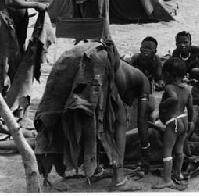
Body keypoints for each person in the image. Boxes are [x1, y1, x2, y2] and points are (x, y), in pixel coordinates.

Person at [34, 41, 152, 191]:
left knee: (71, 109)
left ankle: (93, 169)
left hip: (76, 57)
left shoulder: (128, 72)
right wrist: (145, 153)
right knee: (119, 121)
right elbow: (142, 122)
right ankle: (118, 178)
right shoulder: (144, 83)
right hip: (96, 62)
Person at [153, 57, 193, 190]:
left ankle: (166, 179)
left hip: (173, 122)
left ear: (168, 75)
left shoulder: (169, 87)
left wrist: (162, 104)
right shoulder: (187, 89)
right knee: (179, 149)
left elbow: (174, 99)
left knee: (167, 150)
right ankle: (177, 174)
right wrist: (191, 122)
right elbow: (191, 108)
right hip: (184, 119)